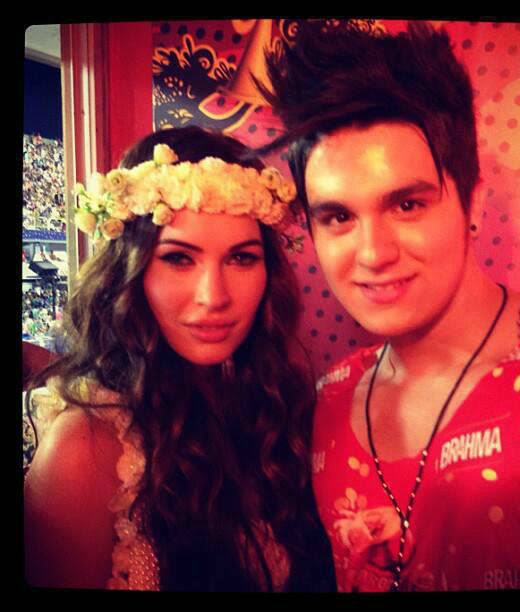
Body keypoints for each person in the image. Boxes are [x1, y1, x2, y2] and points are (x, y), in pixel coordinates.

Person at [256, 20, 520, 591]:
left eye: (407, 205)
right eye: (338, 217)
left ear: (472, 204)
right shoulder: (330, 397)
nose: (373, 253)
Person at [24, 126, 335, 592]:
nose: (213, 296)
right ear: (130, 270)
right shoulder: (86, 448)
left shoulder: (278, 404)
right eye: (178, 259)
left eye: (241, 258)